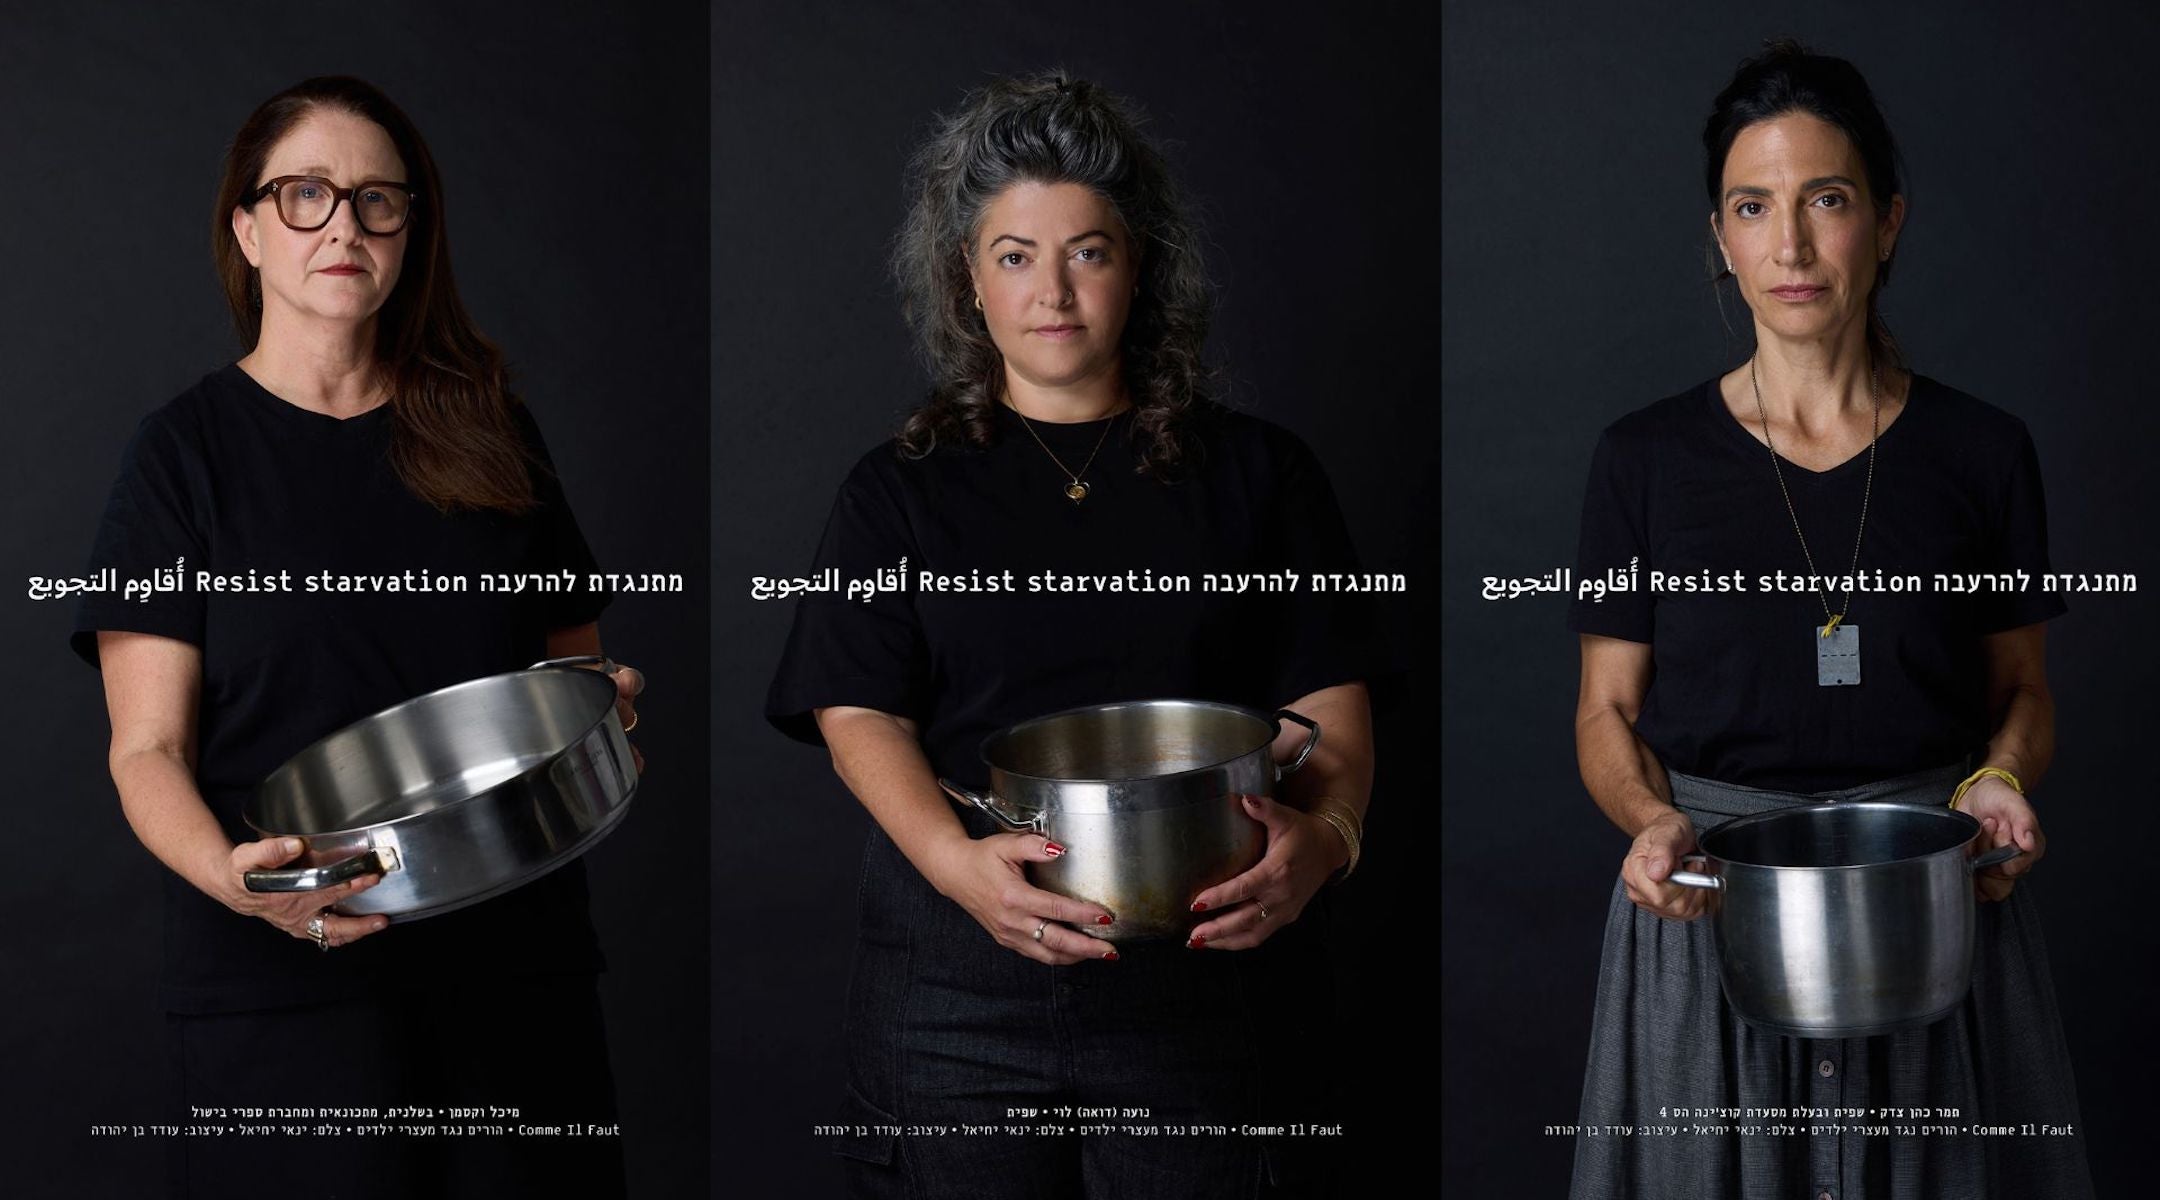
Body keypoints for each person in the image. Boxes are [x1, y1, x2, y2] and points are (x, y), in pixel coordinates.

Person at [766, 74, 1392, 1199]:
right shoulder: (895, 491)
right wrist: (960, 871)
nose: (1052, 290)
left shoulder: (1262, 475)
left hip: (1202, 987)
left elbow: (1331, 692)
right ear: (968, 278)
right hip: (956, 989)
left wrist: (1331, 838)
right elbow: (857, 705)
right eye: (1014, 255)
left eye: (1088, 252)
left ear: (1139, 266)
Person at [71, 77, 643, 1199]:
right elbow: (148, 753)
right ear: (247, 226)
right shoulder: (183, 454)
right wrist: (236, 884)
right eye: (307, 195)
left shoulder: (487, 431)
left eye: (380, 201)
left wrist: (604, 706)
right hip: (285, 982)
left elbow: (571, 670)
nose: (345, 224)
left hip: (513, 977)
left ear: (409, 233)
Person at [1565, 41, 2094, 1199]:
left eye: (1828, 201)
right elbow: (1606, 711)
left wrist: (1996, 783)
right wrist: (1651, 821)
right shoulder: (1642, 461)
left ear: (1888, 223)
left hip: (1933, 905)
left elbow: (2024, 693)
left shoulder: (1981, 453)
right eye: (1754, 207)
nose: (1791, 246)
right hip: (1710, 913)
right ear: (1721, 235)